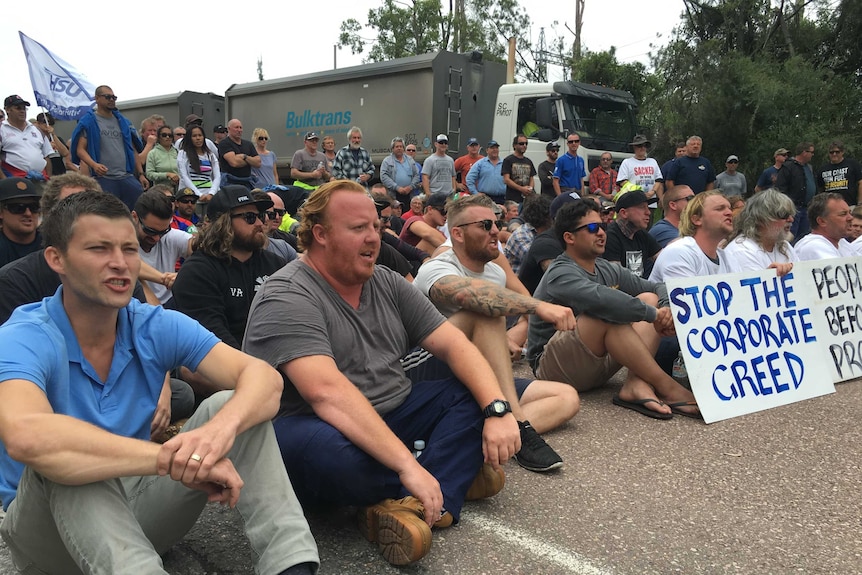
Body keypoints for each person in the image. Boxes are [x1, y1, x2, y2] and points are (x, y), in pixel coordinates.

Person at [0, 191, 319, 575]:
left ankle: (291, 566)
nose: (120, 264)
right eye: (99, 249)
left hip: (137, 514)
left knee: (230, 406)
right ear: (57, 259)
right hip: (48, 541)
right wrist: (172, 461)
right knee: (69, 457)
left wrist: (216, 434)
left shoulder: (150, 324)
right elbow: (27, 435)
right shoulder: (26, 334)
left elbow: (264, 378)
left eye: (130, 249)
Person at [242, 180, 520, 566]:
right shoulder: (287, 294)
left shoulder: (384, 280)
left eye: (375, 226)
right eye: (358, 228)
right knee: (334, 456)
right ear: (319, 235)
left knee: (471, 396)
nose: (373, 237)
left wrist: (498, 410)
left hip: (389, 410)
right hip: (310, 424)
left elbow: (456, 346)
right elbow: (326, 393)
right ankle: (442, 479)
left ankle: (404, 505)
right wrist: (408, 466)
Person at [413, 194, 578, 472]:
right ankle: (519, 426)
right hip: (427, 369)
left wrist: (503, 340)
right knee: (484, 311)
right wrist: (540, 307)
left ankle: (490, 434)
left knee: (567, 398)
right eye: (484, 225)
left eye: (495, 223)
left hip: (477, 374)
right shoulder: (437, 267)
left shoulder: (494, 273)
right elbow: (469, 295)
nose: (495, 231)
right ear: (458, 234)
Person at [527, 199, 700, 420]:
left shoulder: (605, 267)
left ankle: (636, 384)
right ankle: (668, 387)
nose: (600, 232)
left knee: (649, 297)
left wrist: (664, 307)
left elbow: (658, 287)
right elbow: (603, 300)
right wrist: (654, 315)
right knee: (604, 315)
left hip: (594, 364)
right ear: (569, 238)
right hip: (552, 370)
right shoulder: (560, 273)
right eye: (591, 228)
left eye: (603, 226)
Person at [173, 186, 284, 351]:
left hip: (278, 360)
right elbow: (213, 341)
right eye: (250, 217)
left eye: (260, 216)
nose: (261, 223)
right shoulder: (197, 272)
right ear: (223, 223)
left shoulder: (276, 265)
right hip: (225, 366)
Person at [70, 85, 146, 210]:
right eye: (108, 97)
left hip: (126, 176)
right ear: (97, 98)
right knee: (108, 215)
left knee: (137, 212)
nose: (111, 100)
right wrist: (94, 165)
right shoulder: (89, 121)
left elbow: (133, 149)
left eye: (114, 97)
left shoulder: (123, 121)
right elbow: (80, 149)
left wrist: (141, 174)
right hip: (104, 178)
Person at [649, 191, 734, 283]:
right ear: (697, 219)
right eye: (719, 209)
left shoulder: (727, 257)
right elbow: (685, 296)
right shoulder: (679, 252)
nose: (729, 212)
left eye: (730, 208)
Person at [133, 190, 193, 306]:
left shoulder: (170, 236)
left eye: (163, 232)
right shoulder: (121, 239)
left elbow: (204, 252)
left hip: (171, 303)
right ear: (134, 217)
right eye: (150, 231)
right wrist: (164, 278)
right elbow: (130, 263)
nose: (156, 238)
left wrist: (184, 275)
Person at [720, 188, 798, 275]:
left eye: (791, 214)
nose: (791, 219)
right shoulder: (742, 250)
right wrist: (768, 276)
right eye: (783, 215)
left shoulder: (784, 246)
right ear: (761, 219)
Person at [603, 187, 662, 279]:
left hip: (642, 290)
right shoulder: (610, 237)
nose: (648, 212)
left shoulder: (641, 234)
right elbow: (616, 279)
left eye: (648, 207)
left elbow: (664, 260)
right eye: (642, 207)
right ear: (624, 213)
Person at [0, 95, 53, 181]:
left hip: (41, 179)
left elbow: (46, 156)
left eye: (24, 108)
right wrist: (5, 181)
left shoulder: (37, 130)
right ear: (8, 110)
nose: (22, 111)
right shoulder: (1, 129)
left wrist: (49, 178)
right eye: (18, 108)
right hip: (14, 180)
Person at [793, 192, 855, 260]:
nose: (851, 218)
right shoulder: (814, 245)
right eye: (843, 214)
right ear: (822, 221)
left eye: (850, 213)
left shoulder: (842, 242)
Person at [774, 142, 816, 240]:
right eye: (811, 152)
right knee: (791, 237)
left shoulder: (809, 168)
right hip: (793, 209)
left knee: (805, 238)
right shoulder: (788, 167)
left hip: (807, 209)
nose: (812, 155)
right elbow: (780, 189)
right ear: (804, 152)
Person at [0, 177, 42, 268]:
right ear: (1, 212)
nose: (28, 213)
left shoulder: (53, 242)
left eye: (33, 207)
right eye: (18, 208)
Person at [505, 194, 552, 275]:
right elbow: (540, 262)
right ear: (546, 217)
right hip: (520, 284)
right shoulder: (522, 235)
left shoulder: (548, 232)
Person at [617, 134, 663, 208]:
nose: (642, 148)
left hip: (651, 201)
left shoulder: (653, 161)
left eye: (644, 146)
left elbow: (658, 180)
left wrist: (653, 192)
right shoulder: (627, 162)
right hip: (634, 202)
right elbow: (622, 182)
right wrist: (638, 193)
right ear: (634, 147)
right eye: (639, 146)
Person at [178, 125, 221, 199]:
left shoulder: (210, 155)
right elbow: (184, 177)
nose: (198, 138)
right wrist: (199, 194)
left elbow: (217, 176)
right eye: (194, 136)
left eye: (200, 135)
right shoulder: (183, 154)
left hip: (210, 195)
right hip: (191, 196)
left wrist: (211, 193)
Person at [816, 140, 862, 206]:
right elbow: (820, 189)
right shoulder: (822, 169)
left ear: (842, 152)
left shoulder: (852, 164)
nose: (834, 154)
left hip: (849, 205)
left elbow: (860, 183)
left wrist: (860, 202)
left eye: (837, 152)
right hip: (830, 207)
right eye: (831, 152)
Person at [218, 119, 261, 189]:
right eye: (236, 127)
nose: (239, 130)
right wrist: (250, 161)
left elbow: (258, 163)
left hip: (247, 183)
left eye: (240, 127)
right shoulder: (224, 143)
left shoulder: (248, 144)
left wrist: (245, 157)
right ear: (229, 129)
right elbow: (234, 163)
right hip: (230, 182)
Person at [380, 136, 420, 208]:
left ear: (403, 148)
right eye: (397, 146)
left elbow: (417, 175)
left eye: (401, 146)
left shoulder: (410, 160)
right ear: (392, 149)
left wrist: (410, 187)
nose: (399, 148)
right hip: (394, 194)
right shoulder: (387, 161)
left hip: (409, 194)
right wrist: (397, 188)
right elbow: (384, 177)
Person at [503, 134, 537, 203]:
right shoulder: (508, 160)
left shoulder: (528, 161)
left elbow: (531, 179)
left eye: (526, 143)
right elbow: (506, 179)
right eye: (521, 143)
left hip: (527, 199)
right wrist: (521, 189)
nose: (524, 145)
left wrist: (530, 189)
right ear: (515, 145)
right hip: (513, 199)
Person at [145, 125, 180, 189]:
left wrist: (178, 177)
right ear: (159, 137)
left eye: (170, 135)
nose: (167, 137)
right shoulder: (153, 153)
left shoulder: (178, 152)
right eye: (164, 135)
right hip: (160, 190)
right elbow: (149, 174)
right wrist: (166, 175)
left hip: (178, 189)